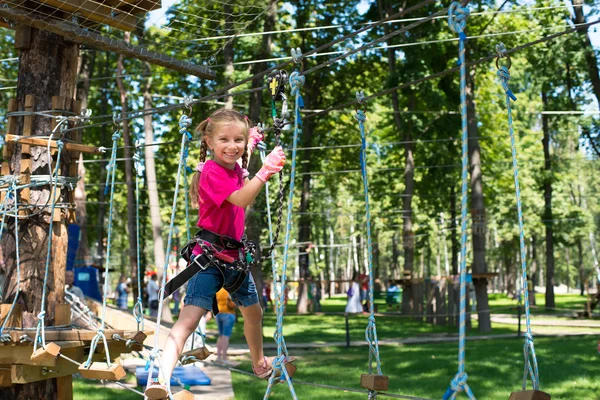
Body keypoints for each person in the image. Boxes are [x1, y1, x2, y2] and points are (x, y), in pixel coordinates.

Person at [145, 109, 292, 399]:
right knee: (187, 320)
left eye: (238, 139)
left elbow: (238, 158)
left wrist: (248, 144)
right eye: (224, 139)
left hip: (234, 260)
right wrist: (266, 172)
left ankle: (260, 363)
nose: (232, 145)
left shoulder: (234, 166)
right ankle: (160, 379)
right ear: (209, 142)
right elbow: (241, 198)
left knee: (254, 312)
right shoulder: (212, 171)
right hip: (209, 259)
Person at [215, 288, 237, 364]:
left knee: (221, 336)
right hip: (229, 314)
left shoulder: (218, 289)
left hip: (218, 313)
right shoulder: (230, 288)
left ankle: (218, 357)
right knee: (225, 336)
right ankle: (224, 358)